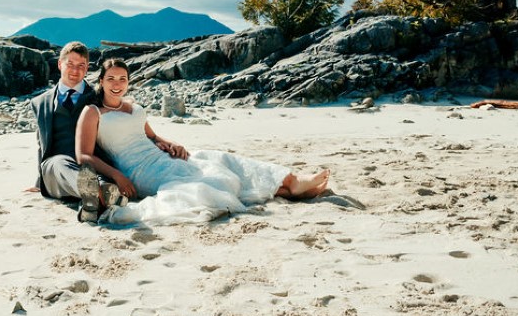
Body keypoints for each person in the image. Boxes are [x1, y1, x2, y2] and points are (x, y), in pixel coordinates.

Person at [75, 58, 330, 226]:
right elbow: (84, 156)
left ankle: (293, 184)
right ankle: (294, 189)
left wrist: (171, 143)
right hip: (140, 171)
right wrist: (118, 176)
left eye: (122, 79)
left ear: (128, 81)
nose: (117, 85)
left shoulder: (135, 107)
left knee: (221, 159)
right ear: (101, 81)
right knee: (207, 183)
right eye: (111, 79)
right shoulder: (93, 112)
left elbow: (150, 136)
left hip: (163, 157)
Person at [32, 41, 103, 204]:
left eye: (81, 65)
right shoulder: (40, 103)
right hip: (56, 172)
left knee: (95, 175)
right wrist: (38, 183)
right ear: (59, 64)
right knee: (58, 162)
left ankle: (97, 193)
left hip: (93, 167)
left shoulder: (99, 98)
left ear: (87, 68)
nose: (75, 70)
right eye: (70, 64)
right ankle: (97, 192)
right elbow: (41, 144)